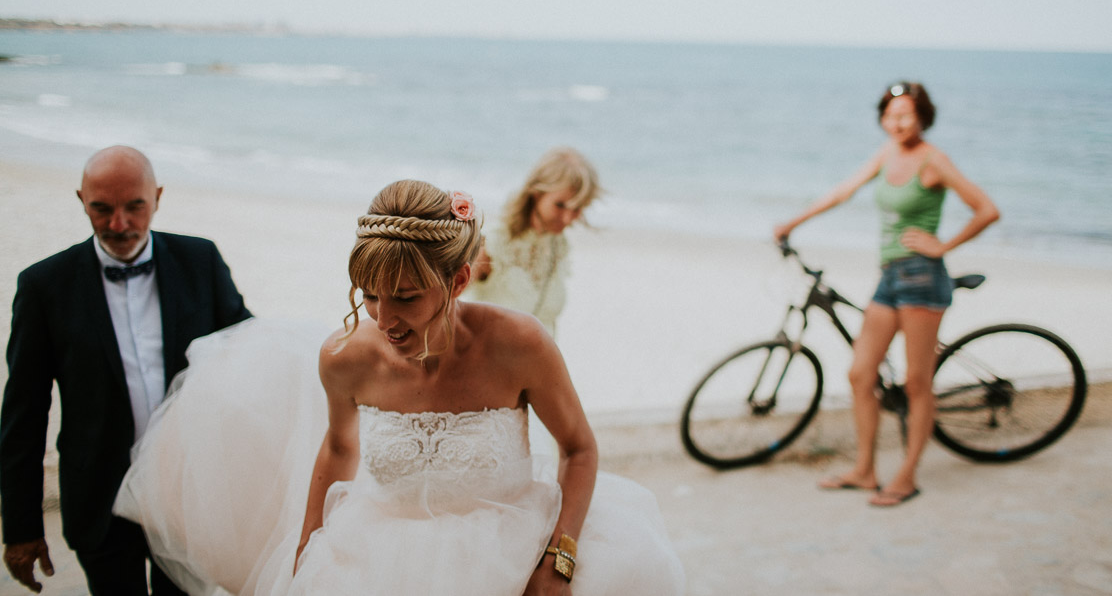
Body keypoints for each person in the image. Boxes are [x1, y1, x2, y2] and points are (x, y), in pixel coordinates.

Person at [114, 180, 685, 595]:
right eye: (369, 295)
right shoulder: (344, 358)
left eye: (406, 297)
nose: (385, 319)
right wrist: (308, 550)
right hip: (374, 562)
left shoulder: (520, 344)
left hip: (511, 552)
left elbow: (580, 449)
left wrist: (558, 562)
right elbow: (340, 448)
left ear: (458, 279)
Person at [1, 146, 251, 595]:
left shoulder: (201, 261)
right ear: (81, 200)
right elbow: (23, 414)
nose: (120, 224)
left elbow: (247, 358)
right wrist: (20, 527)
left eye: (135, 206)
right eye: (102, 208)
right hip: (100, 500)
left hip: (185, 495)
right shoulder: (43, 286)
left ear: (157, 197)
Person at [773, 82, 999, 507]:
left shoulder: (934, 161)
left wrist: (944, 245)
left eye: (906, 115)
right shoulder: (886, 154)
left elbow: (987, 209)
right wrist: (792, 222)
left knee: (917, 383)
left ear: (922, 118)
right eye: (890, 114)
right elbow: (842, 192)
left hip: (922, 277)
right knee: (861, 374)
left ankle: (907, 475)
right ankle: (864, 470)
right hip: (889, 277)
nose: (897, 122)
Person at [468, 147, 600, 338]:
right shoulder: (493, 243)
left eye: (577, 208)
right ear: (537, 194)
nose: (568, 218)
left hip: (540, 365)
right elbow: (445, 305)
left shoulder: (558, 244)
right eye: (560, 205)